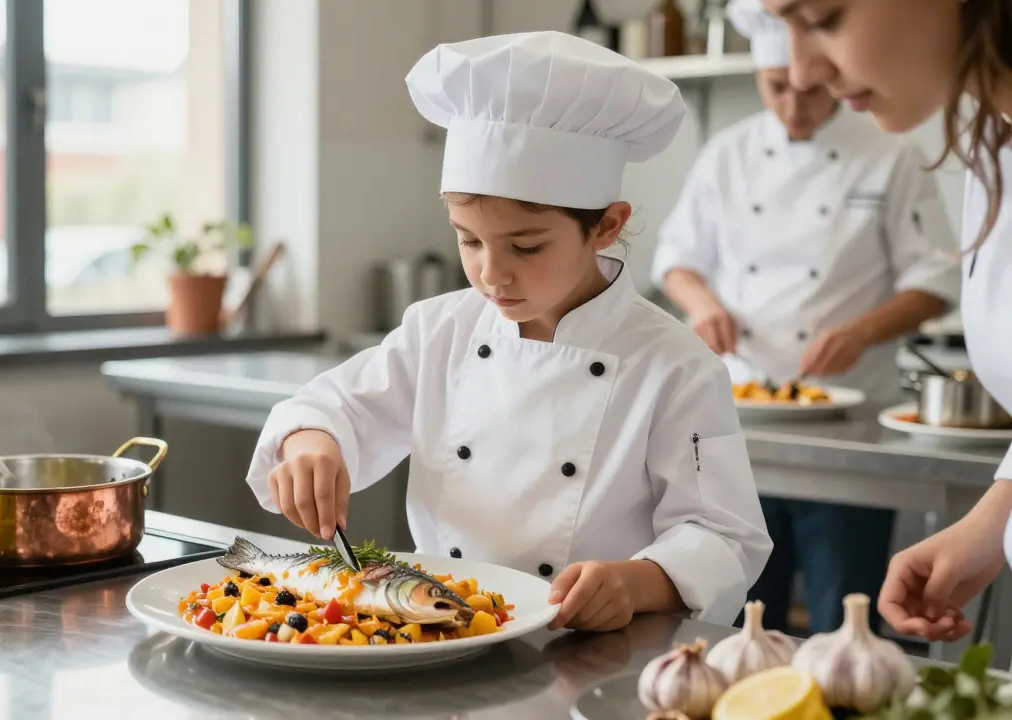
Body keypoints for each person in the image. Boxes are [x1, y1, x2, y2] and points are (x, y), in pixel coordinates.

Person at [241, 31, 772, 631]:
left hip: (593, 649)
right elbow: (336, 406)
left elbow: (725, 536)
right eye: (469, 240)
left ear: (606, 226)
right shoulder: (439, 330)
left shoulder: (675, 364)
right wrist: (312, 444)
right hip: (440, 631)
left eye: (526, 246)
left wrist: (635, 581)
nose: (492, 273)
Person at [652, 0, 961, 636]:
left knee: (844, 614)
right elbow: (675, 262)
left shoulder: (892, 151)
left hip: (847, 428)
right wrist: (703, 304)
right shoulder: (727, 154)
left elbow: (935, 282)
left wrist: (863, 330)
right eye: (775, 89)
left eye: (809, 90)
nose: (794, 107)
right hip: (736, 421)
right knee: (736, 614)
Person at [756, 0, 1012, 643]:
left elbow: (929, 284)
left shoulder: (902, 152)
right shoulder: (991, 142)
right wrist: (989, 527)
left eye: (823, 18)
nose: (804, 72)